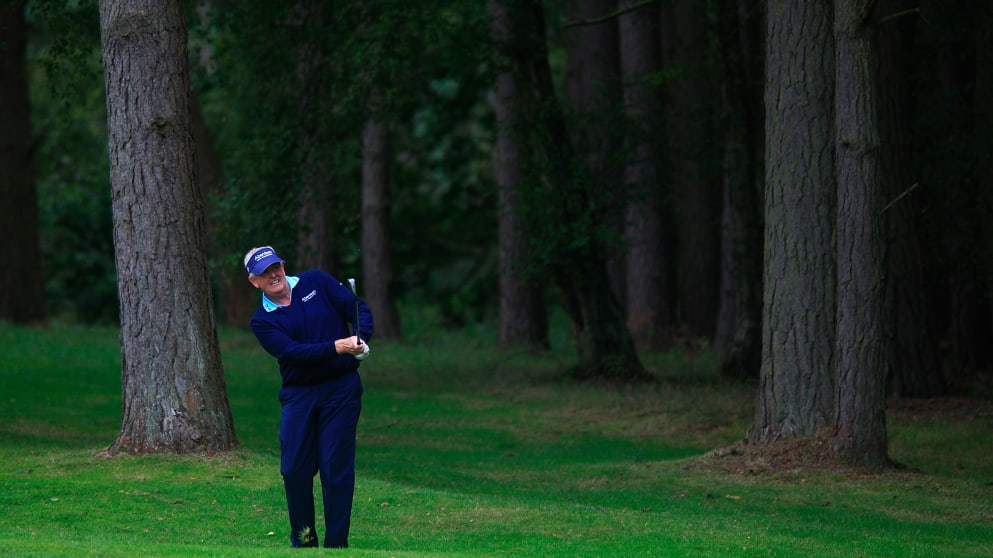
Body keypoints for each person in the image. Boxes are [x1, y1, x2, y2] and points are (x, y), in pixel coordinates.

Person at [243, 245, 373, 548]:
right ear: (254, 281)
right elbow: (294, 353)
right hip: (299, 395)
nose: (273, 275)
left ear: (283, 266)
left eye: (275, 267)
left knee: (335, 466)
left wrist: (361, 339)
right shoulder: (262, 320)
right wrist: (338, 347)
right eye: (264, 273)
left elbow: (358, 309)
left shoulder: (316, 282)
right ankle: (304, 542)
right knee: (294, 469)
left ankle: (336, 545)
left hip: (341, 389)